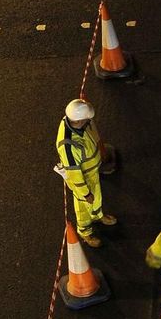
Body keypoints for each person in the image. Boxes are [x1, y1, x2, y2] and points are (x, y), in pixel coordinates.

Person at [55, 99, 117, 248]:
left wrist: (101, 149)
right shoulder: (68, 145)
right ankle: (85, 231)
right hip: (82, 181)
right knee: (83, 208)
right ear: (79, 120)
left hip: (92, 173)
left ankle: (98, 216)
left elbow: (93, 133)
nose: (90, 120)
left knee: (97, 197)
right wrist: (84, 193)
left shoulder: (81, 122)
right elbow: (75, 174)